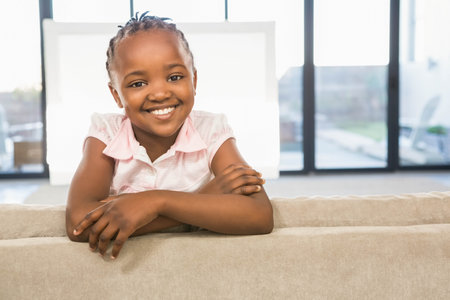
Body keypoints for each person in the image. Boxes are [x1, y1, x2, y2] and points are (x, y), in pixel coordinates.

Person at [66, 12, 273, 260]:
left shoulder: (211, 130)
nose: (160, 93)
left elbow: (260, 215)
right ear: (116, 95)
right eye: (138, 83)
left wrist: (155, 202)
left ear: (194, 79)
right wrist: (203, 198)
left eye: (175, 77)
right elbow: (78, 224)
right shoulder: (105, 133)